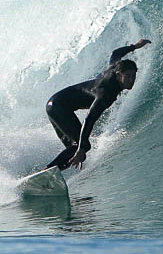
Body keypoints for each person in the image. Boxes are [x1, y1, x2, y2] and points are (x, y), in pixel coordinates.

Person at [45, 38, 151, 170]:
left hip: (54, 104)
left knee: (76, 149)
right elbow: (89, 119)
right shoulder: (106, 93)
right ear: (119, 75)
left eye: (133, 76)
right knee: (82, 147)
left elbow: (115, 54)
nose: (131, 80)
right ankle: (47, 172)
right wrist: (82, 148)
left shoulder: (114, 68)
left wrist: (134, 46)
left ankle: (48, 176)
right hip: (58, 106)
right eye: (128, 76)